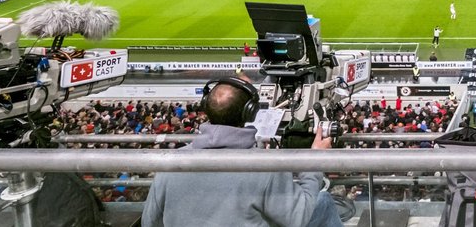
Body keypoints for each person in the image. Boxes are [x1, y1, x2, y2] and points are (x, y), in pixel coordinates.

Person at [142, 78, 342, 227]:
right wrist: (316, 159)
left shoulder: (170, 163)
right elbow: (298, 218)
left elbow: (149, 222)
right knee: (322, 201)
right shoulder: (265, 166)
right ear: (250, 112)